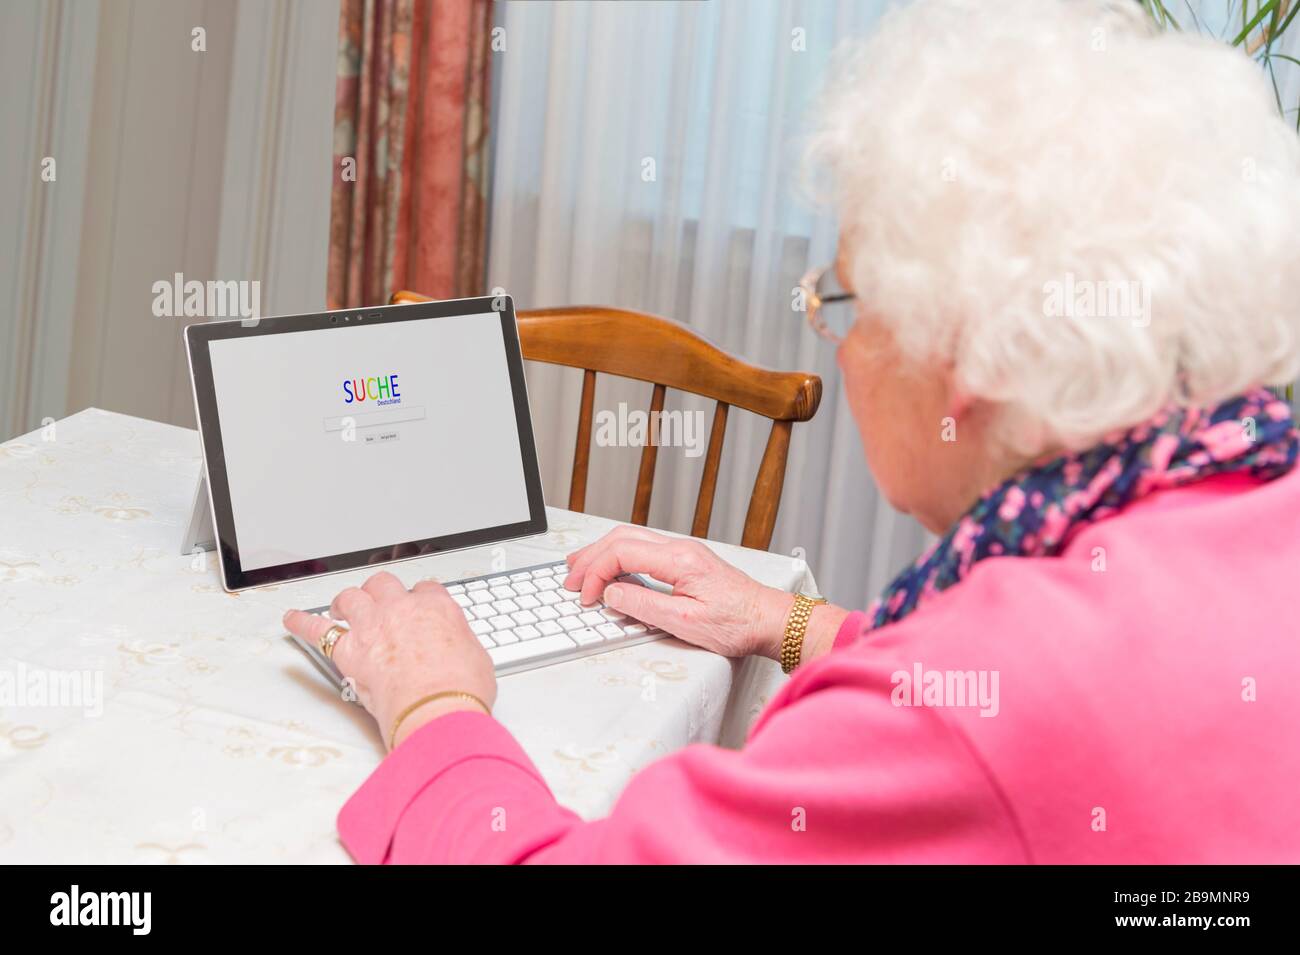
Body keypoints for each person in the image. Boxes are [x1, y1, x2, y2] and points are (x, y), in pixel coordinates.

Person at [284, 0, 1300, 863]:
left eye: (847, 300)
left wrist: (429, 703)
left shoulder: (964, 714)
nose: (834, 341)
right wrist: (791, 622)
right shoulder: (1255, 497)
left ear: (974, 357)